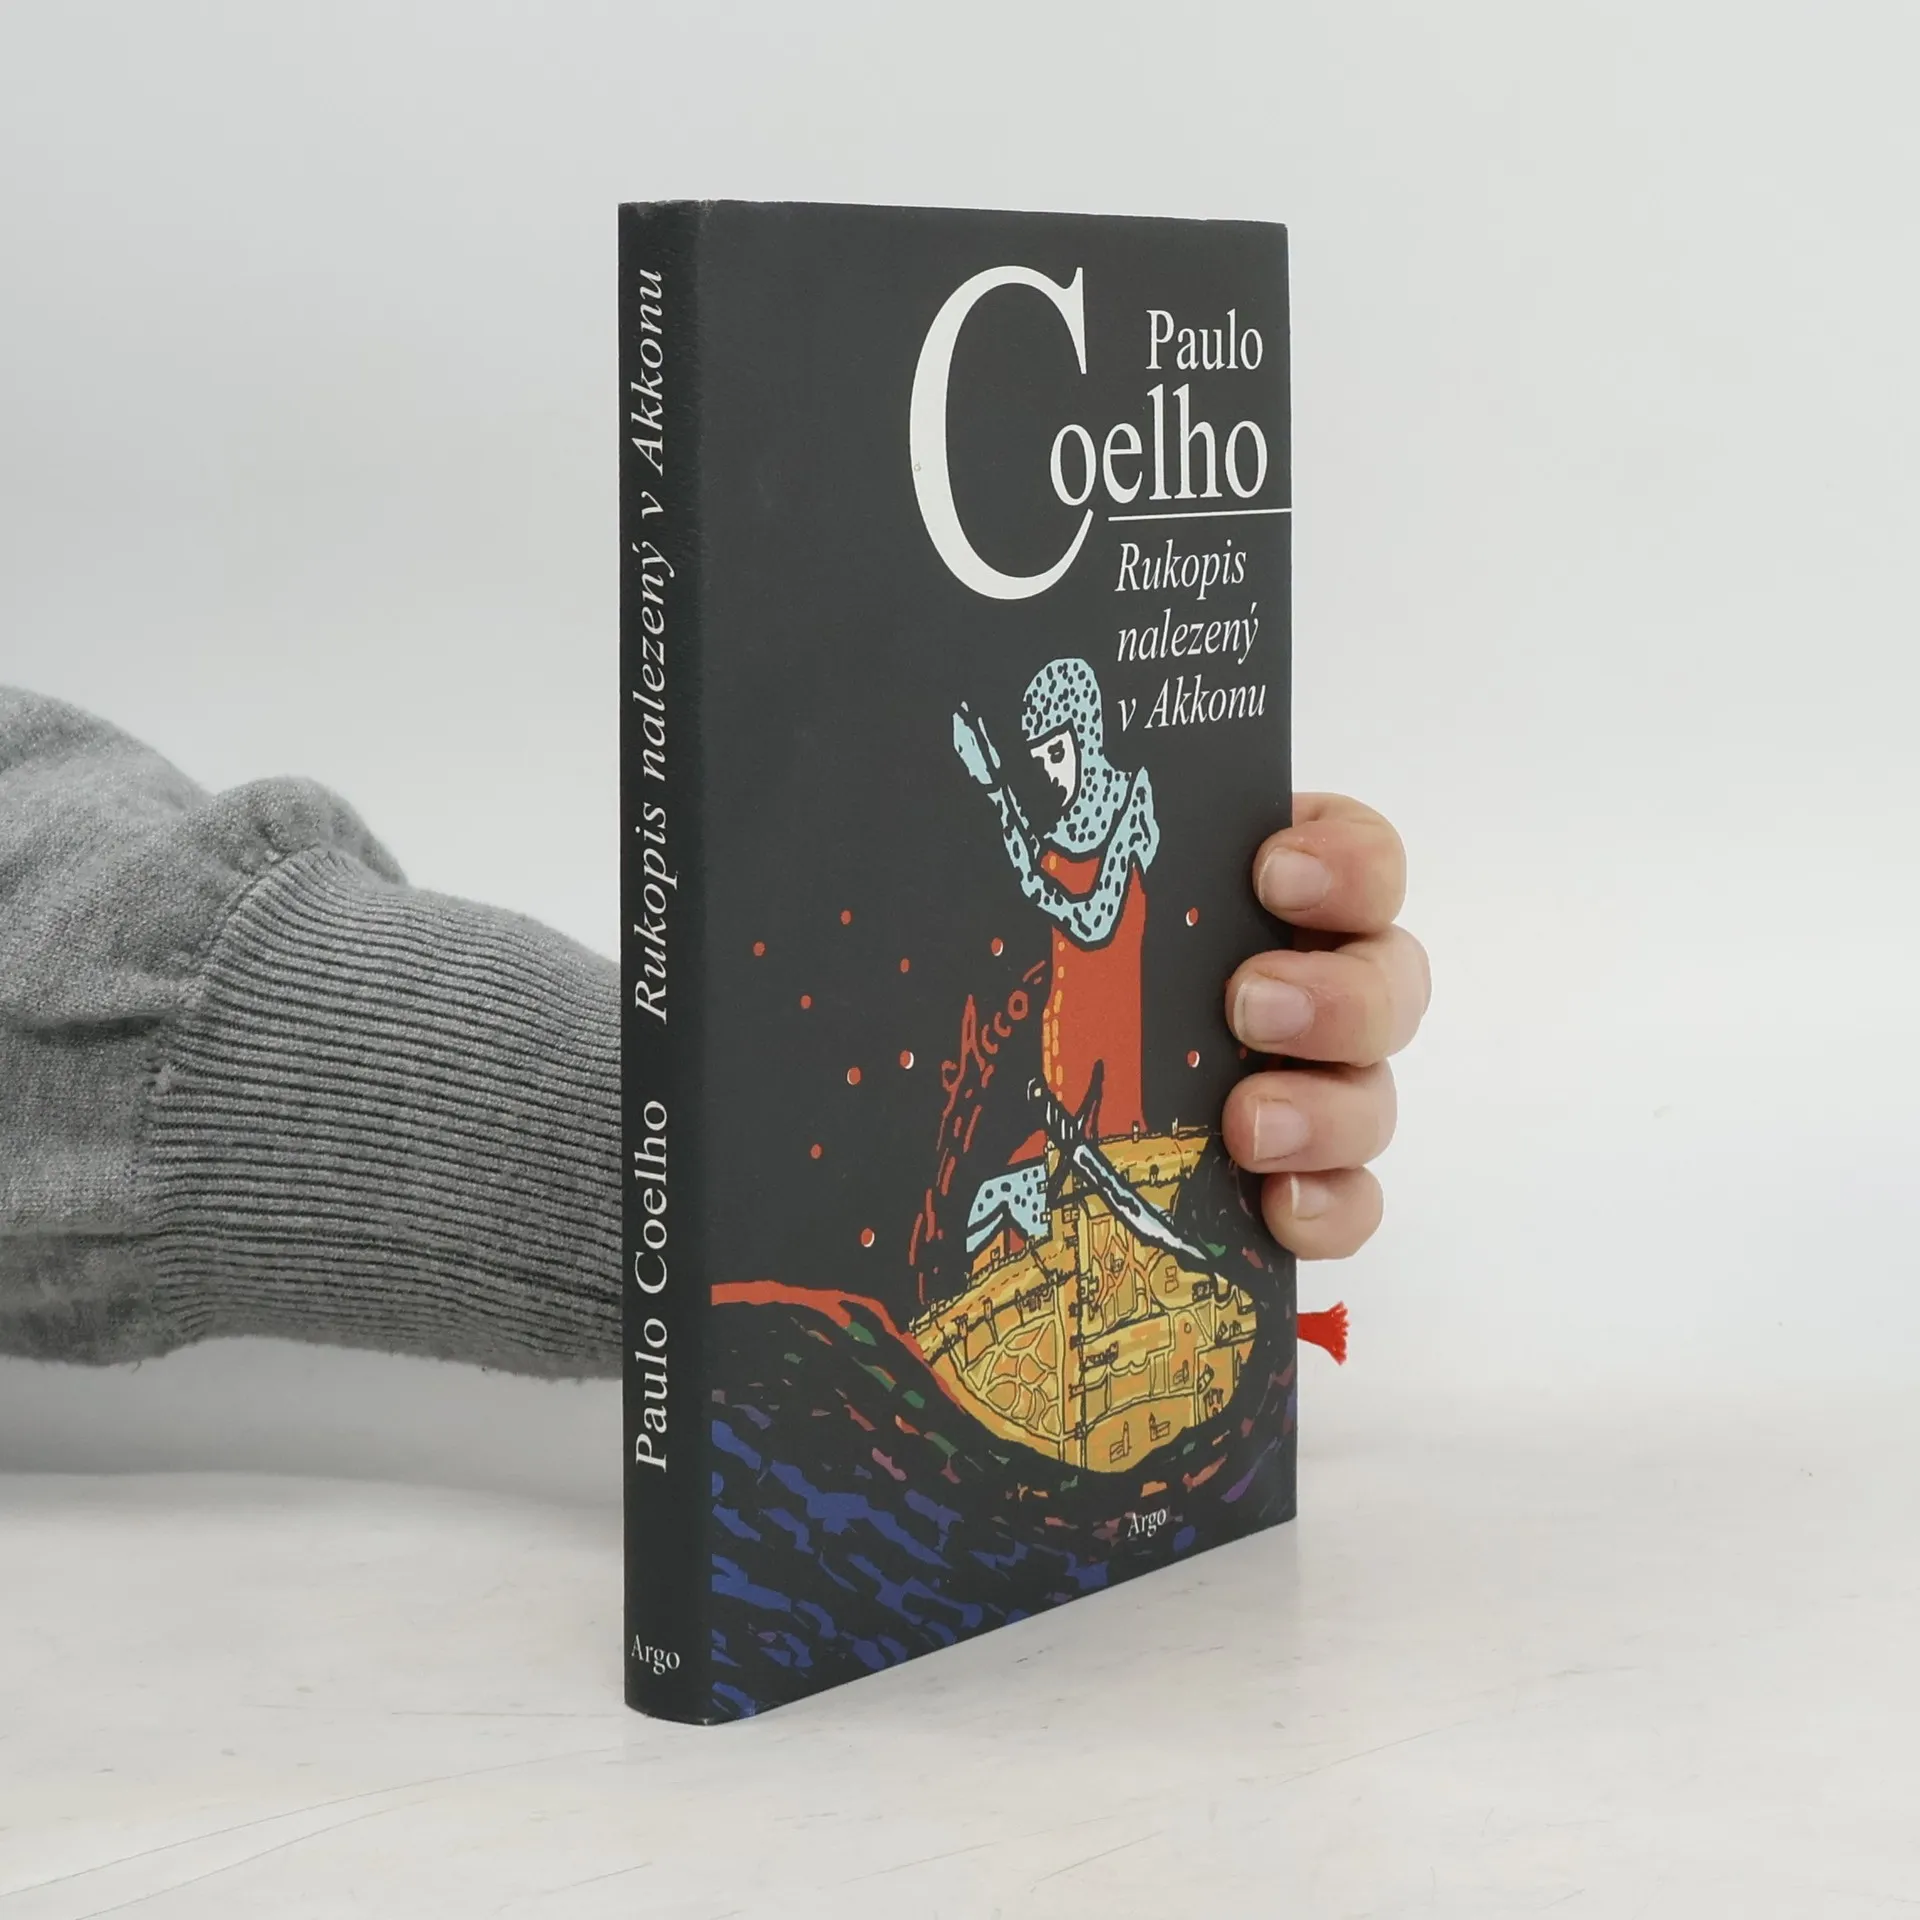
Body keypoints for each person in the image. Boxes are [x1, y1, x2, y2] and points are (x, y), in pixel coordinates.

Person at [0, 684, 1429, 1376]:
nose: (1055, 771)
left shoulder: (1118, 805)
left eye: (1062, 753)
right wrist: (710, 1161)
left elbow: (1085, 890)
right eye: (1044, 757)